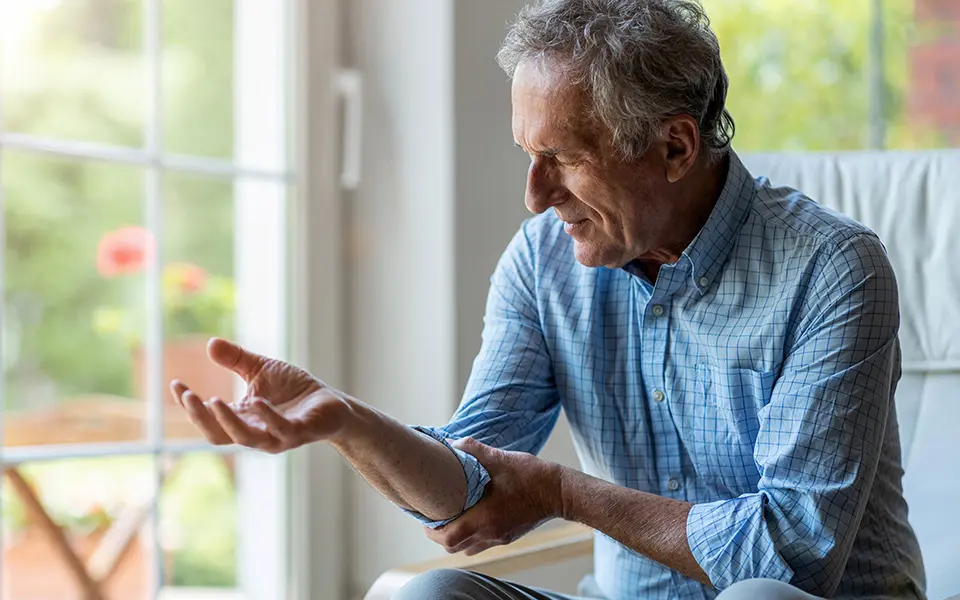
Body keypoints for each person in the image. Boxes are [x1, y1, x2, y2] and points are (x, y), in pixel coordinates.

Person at [170, 1, 926, 599]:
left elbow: (791, 557)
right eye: (529, 156)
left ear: (675, 146)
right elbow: (470, 490)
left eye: (563, 158)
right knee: (430, 597)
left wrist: (566, 491)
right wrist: (346, 421)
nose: (535, 198)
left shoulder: (834, 269)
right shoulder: (544, 261)